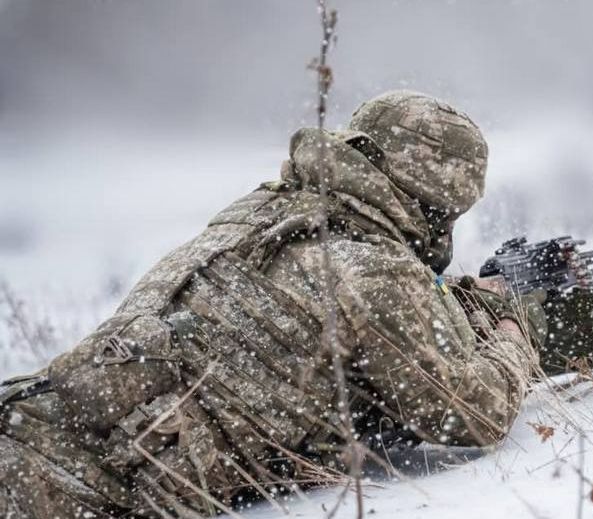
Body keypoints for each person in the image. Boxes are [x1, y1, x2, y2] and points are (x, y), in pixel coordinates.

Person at [0, 91, 547, 517]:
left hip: (32, 418)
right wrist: (511, 336)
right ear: (432, 199)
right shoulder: (372, 268)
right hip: (63, 488)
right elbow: (475, 414)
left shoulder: (261, 209)